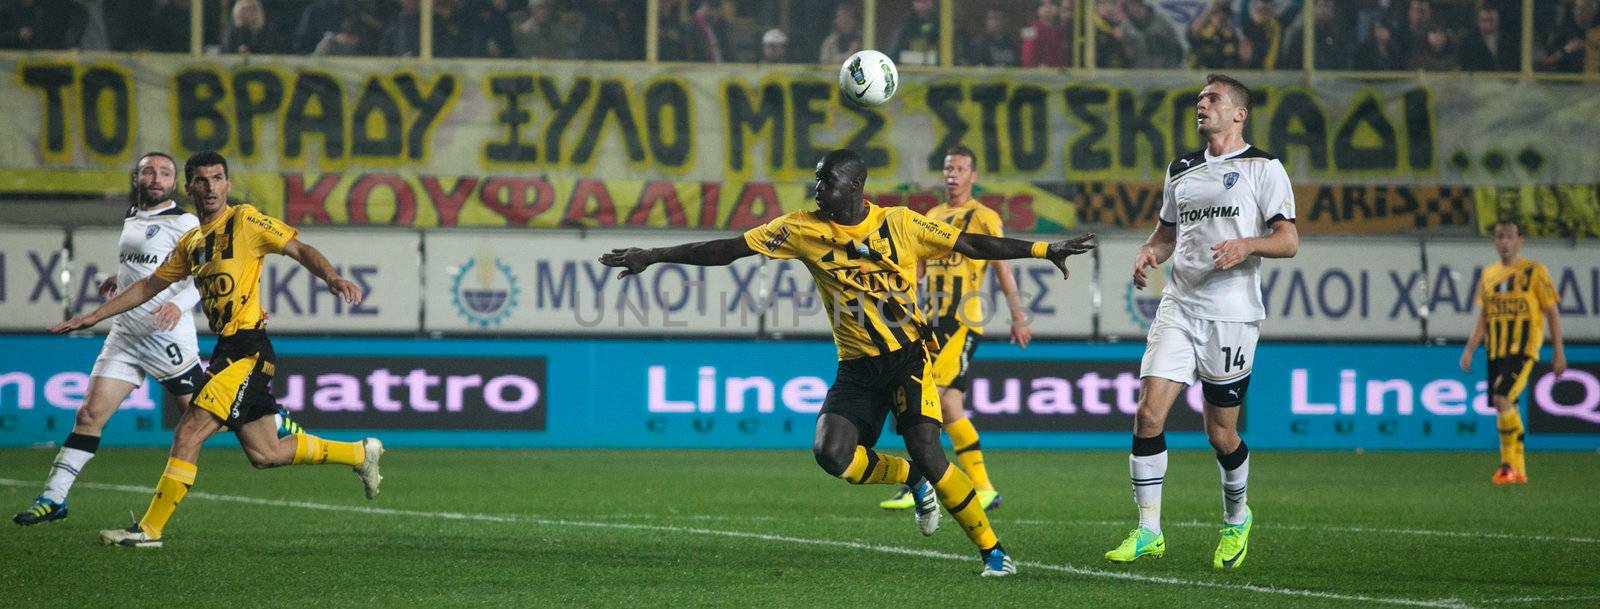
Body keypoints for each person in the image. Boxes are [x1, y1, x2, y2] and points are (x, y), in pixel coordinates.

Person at [599, 148, 1096, 576]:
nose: (817, 188)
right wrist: (653, 254)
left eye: (827, 180)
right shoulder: (799, 229)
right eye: (817, 179)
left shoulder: (899, 223)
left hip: (907, 357)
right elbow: (728, 249)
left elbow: (971, 243)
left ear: (854, 186)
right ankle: (909, 478)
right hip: (856, 366)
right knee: (831, 454)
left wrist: (1042, 248)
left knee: (928, 446)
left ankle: (993, 553)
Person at [48, 151, 384, 548]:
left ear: (227, 183)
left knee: (188, 430)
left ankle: (150, 530)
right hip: (228, 347)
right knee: (266, 453)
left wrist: (331, 276)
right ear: (190, 187)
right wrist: (95, 316)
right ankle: (359, 453)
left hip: (248, 348)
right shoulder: (192, 242)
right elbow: (147, 287)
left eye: (217, 178)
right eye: (202, 180)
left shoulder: (245, 221)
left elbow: (298, 248)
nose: (210, 187)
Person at [1104, 74, 1298, 570]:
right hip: (1179, 305)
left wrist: (1247, 245)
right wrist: (1150, 251)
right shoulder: (1182, 170)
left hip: (1232, 315)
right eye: (1198, 100)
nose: (1202, 105)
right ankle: (1149, 531)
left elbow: (1288, 240)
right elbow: (1166, 233)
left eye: (1212, 98)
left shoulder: (1264, 167)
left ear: (1239, 113)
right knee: (1148, 414)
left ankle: (1237, 518)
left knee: (1220, 434)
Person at [14, 152, 209, 526]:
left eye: (165, 173)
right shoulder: (134, 215)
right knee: (88, 415)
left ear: (174, 184)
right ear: (136, 177)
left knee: (208, 415)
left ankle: (270, 419)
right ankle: (54, 498)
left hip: (164, 336)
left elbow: (203, 276)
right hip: (125, 335)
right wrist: (118, 279)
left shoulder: (185, 222)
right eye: (149, 171)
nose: (156, 178)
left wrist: (179, 307)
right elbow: (148, 265)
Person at [876, 145, 1029, 514]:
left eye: (960, 169)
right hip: (930, 318)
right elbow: (920, 268)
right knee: (948, 404)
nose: (952, 174)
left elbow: (1001, 267)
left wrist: (1018, 314)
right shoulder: (933, 215)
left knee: (927, 393)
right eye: (948, 168)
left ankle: (923, 479)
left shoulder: (984, 217)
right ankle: (981, 487)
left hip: (963, 319)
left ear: (972, 176)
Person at [1459, 220, 1566, 485]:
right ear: (1494, 242)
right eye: (1498, 237)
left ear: (1520, 240)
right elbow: (1484, 315)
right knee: (1506, 407)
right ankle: (1518, 470)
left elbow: (1551, 311)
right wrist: (1470, 348)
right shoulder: (1488, 274)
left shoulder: (1534, 271)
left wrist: (1558, 351)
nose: (1503, 242)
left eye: (1508, 237)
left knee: (1501, 396)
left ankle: (1508, 465)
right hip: (1495, 349)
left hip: (1523, 347)